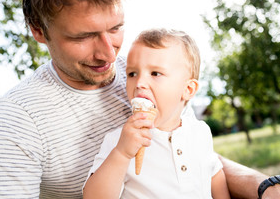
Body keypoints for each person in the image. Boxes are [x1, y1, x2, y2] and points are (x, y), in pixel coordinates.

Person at [0, 0, 280, 198]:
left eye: (116, 28)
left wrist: (267, 186)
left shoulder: (140, 69)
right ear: (39, 31)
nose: (108, 54)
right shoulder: (18, 119)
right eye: (82, 37)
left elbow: (193, 154)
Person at [83, 28, 231, 199]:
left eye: (155, 73)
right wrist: (122, 153)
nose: (139, 83)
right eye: (132, 73)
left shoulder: (200, 131)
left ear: (188, 89)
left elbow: (214, 174)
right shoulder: (119, 140)